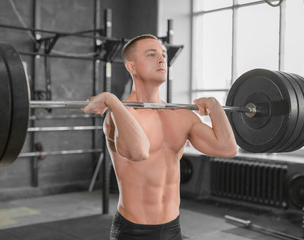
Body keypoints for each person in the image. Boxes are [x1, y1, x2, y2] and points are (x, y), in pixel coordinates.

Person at [82, 34, 237, 240]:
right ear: (132, 67)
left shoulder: (181, 115)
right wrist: (113, 101)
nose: (162, 59)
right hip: (132, 231)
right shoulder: (117, 116)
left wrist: (215, 106)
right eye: (151, 54)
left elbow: (227, 148)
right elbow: (138, 151)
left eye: (163, 54)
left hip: (172, 228)